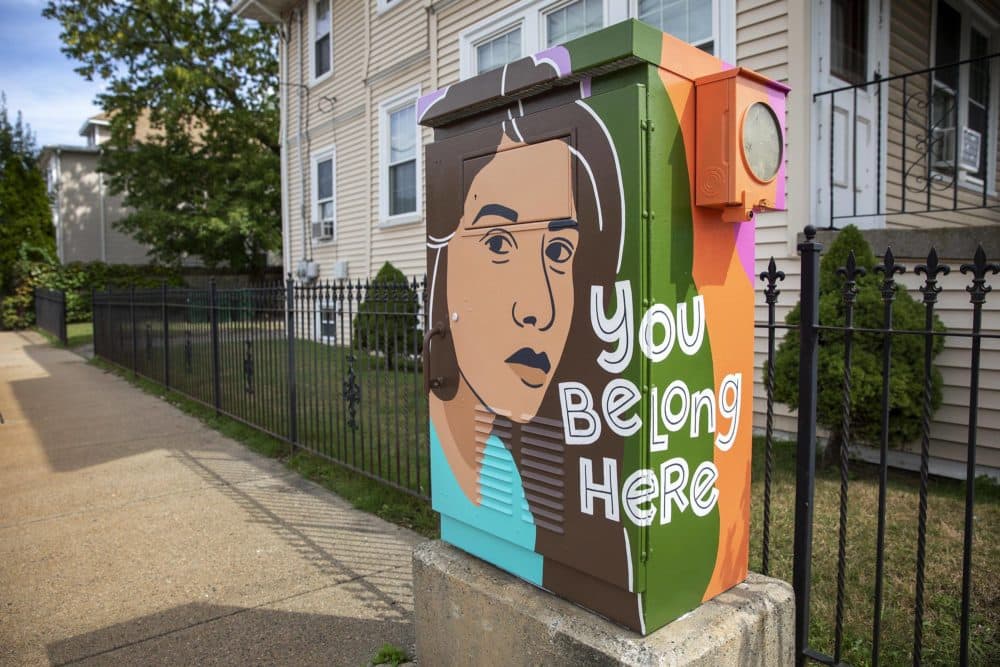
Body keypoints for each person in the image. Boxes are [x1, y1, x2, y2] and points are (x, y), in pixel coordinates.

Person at [423, 60, 629, 600]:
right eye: (498, 243)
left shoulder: (511, 479)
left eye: (559, 250)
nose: (538, 307)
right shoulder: (489, 478)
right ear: (444, 257)